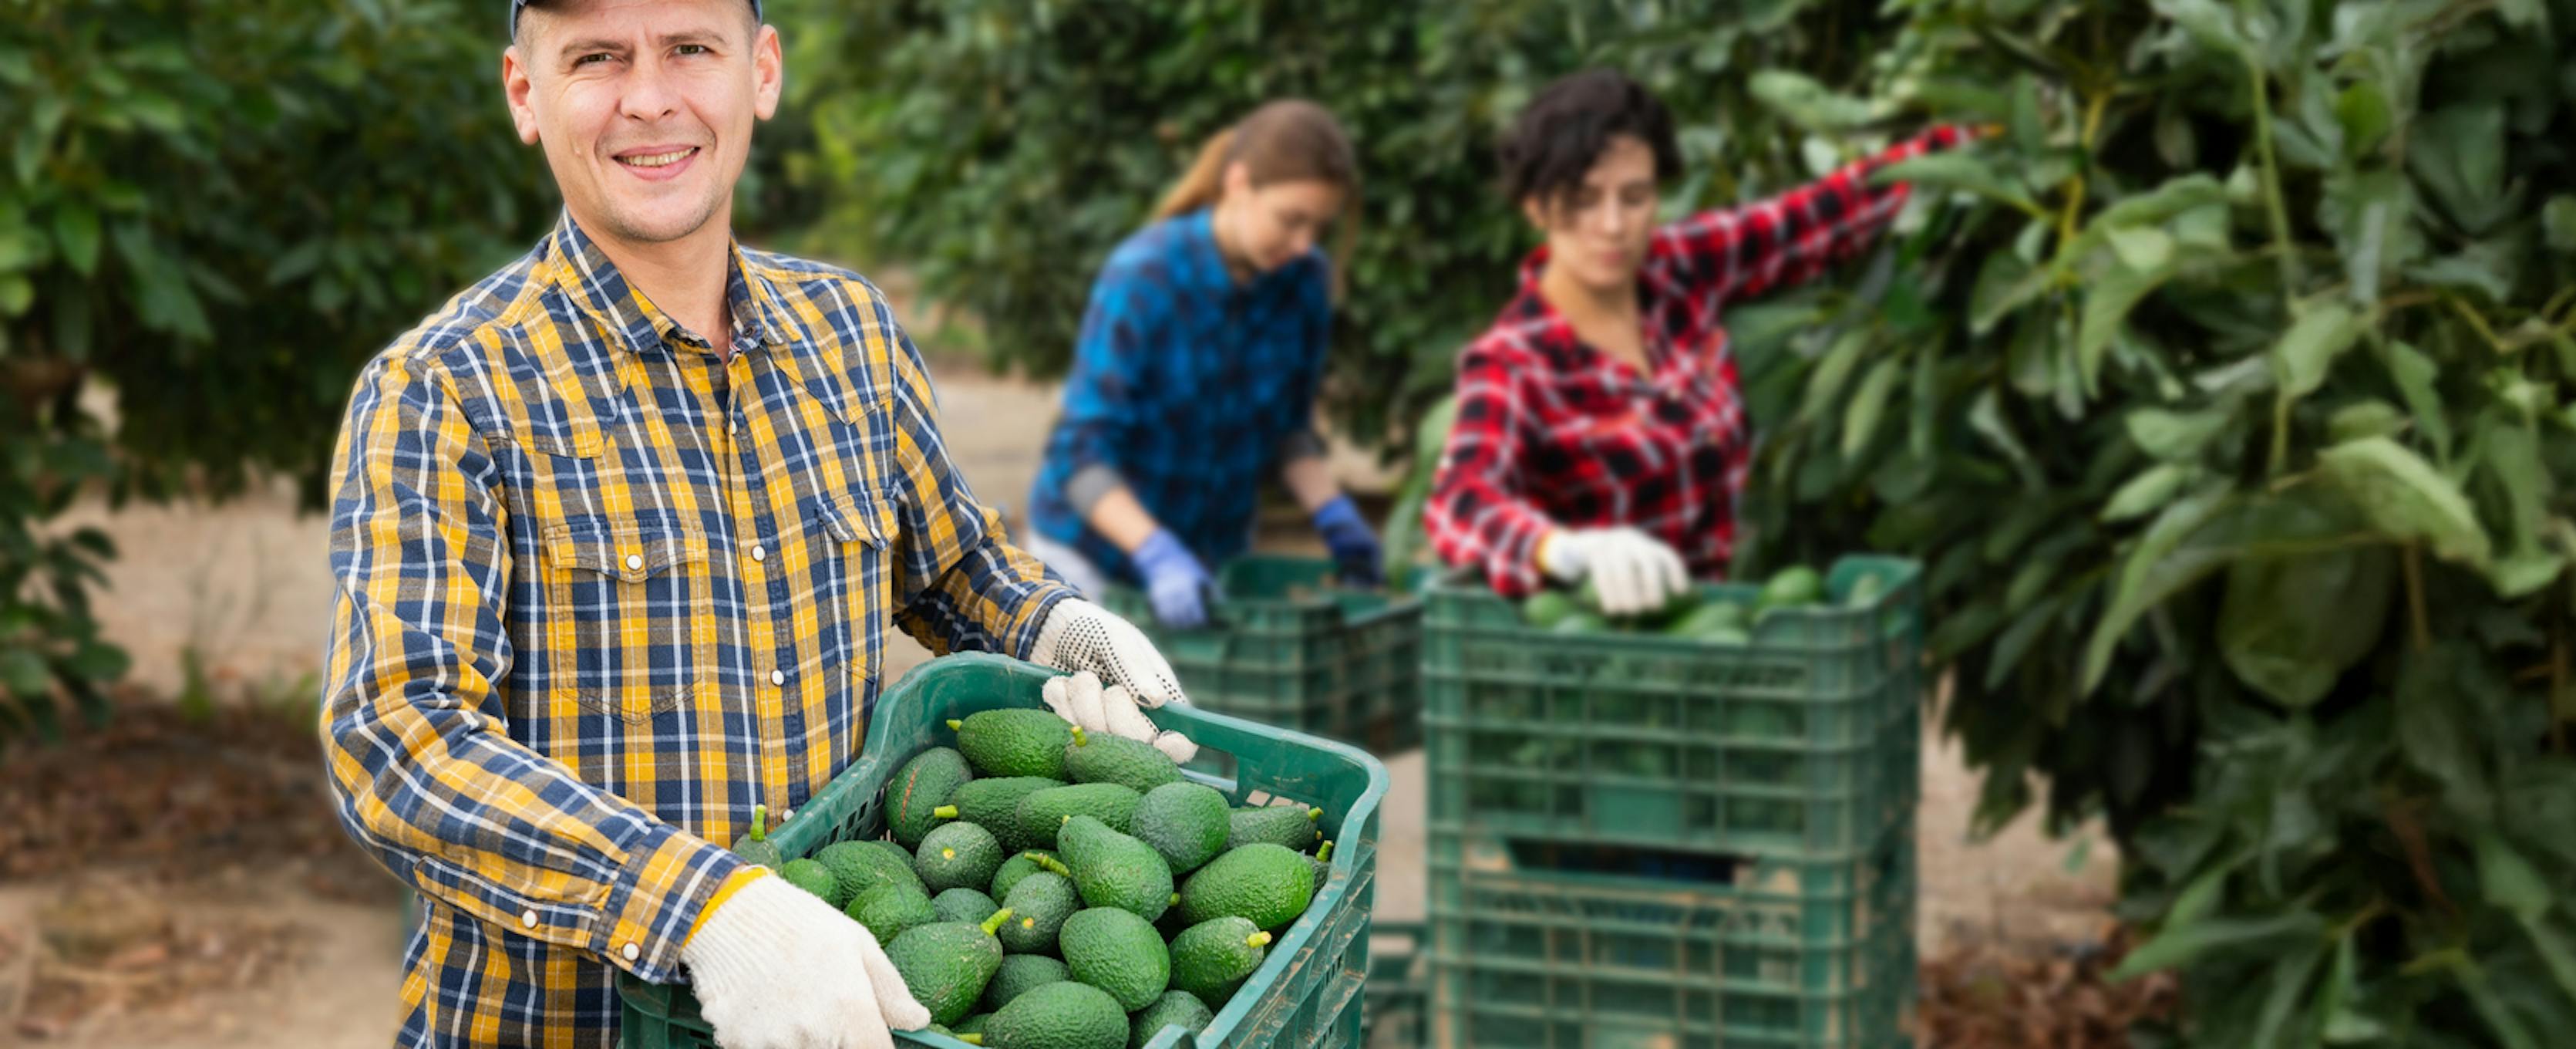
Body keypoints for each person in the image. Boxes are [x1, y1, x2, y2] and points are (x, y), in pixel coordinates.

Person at [319, 2, 1189, 1045]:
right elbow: (399, 739)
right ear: (526, 95)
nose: (649, 99)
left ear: (760, 73)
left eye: (691, 48)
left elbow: (954, 566)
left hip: (851, 1007)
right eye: (597, 58)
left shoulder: (848, 331)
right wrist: (697, 905)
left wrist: (1057, 628)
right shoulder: (442, 389)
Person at [1423, 69, 1975, 612]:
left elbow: (1820, 217)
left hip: (1710, 630)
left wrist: (1966, 146)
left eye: (1635, 197)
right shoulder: (1514, 362)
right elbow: (1460, 501)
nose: (1613, 226)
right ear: (1536, 206)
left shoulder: (1678, 268)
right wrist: (1565, 551)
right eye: (1583, 200)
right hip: (1595, 661)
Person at [1025, 99, 1381, 629]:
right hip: (1093, 560)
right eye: (1291, 220)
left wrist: (1333, 513)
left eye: (1319, 228)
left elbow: (1287, 429)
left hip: (1208, 565)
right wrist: (1156, 551)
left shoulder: (1304, 283)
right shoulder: (1143, 278)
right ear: (1239, 184)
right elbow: (1081, 454)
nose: (1304, 244)